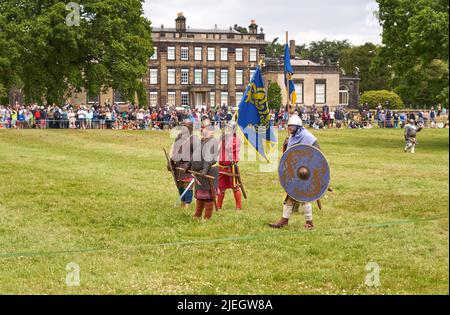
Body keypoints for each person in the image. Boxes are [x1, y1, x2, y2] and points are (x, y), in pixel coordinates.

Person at [269, 114, 320, 230]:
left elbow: (317, 154)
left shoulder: (308, 137)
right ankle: (284, 220)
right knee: (290, 195)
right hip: (295, 171)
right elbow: (288, 155)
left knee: (302, 196)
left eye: (291, 126)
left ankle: (309, 222)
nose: (289, 129)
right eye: (289, 126)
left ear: (298, 126)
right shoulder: (292, 137)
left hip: (305, 171)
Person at [186, 119, 219, 220]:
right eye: (202, 129)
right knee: (200, 195)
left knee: (208, 196)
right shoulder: (202, 141)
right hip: (200, 173)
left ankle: (207, 217)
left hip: (209, 172)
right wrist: (189, 165)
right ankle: (197, 214)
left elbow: (208, 158)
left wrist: (205, 170)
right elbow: (195, 155)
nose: (202, 131)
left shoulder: (212, 142)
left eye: (205, 129)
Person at [170, 119, 197, 209]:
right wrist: (171, 161)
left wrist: (191, 165)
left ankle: (187, 204)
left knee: (187, 185)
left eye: (185, 127)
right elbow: (174, 151)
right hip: (178, 166)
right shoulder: (178, 137)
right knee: (180, 185)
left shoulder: (194, 139)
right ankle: (182, 201)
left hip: (188, 166)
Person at [217, 121, 242, 211]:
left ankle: (238, 207)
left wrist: (225, 138)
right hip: (221, 167)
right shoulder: (222, 138)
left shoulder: (236, 140)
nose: (228, 130)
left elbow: (229, 147)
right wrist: (221, 137)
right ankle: (218, 206)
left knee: (235, 187)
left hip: (231, 167)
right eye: (227, 128)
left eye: (230, 128)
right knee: (220, 187)